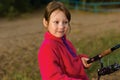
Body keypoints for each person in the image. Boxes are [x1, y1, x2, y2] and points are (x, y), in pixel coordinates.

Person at [38, 1, 91, 80]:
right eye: (56, 22)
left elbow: (70, 63)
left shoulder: (67, 43)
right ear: (46, 22)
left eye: (65, 22)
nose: (61, 26)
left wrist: (81, 60)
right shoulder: (47, 48)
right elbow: (52, 78)